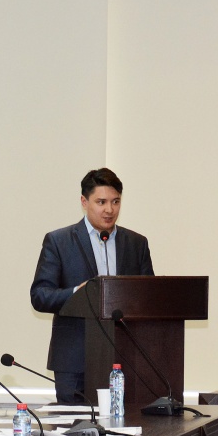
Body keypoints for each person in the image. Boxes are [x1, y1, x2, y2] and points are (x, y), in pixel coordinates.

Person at [30, 167, 154, 402]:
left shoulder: (136, 243)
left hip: (125, 359)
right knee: (75, 424)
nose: (109, 210)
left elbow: (149, 298)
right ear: (84, 202)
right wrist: (77, 293)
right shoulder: (59, 241)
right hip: (74, 360)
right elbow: (40, 296)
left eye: (116, 201)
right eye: (101, 202)